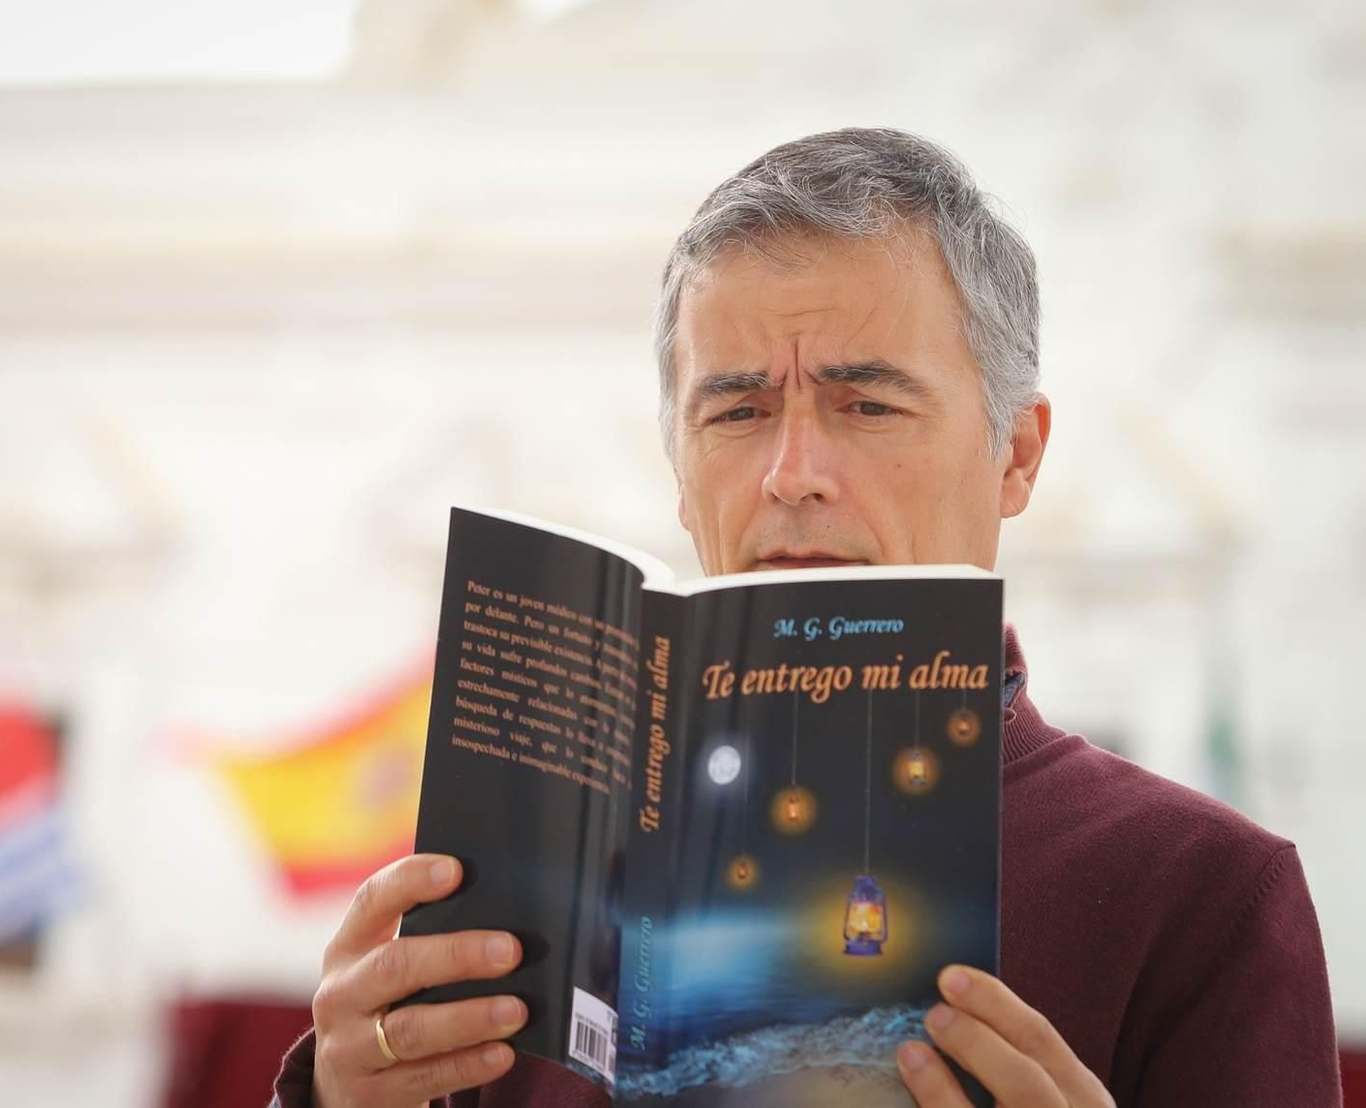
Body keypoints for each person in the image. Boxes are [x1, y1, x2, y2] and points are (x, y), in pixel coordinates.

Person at [272, 128, 1343, 1107]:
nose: (792, 474)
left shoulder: (1201, 893)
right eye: (736, 411)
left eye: (866, 403)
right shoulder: (536, 876)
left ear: (1015, 452)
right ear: (680, 480)